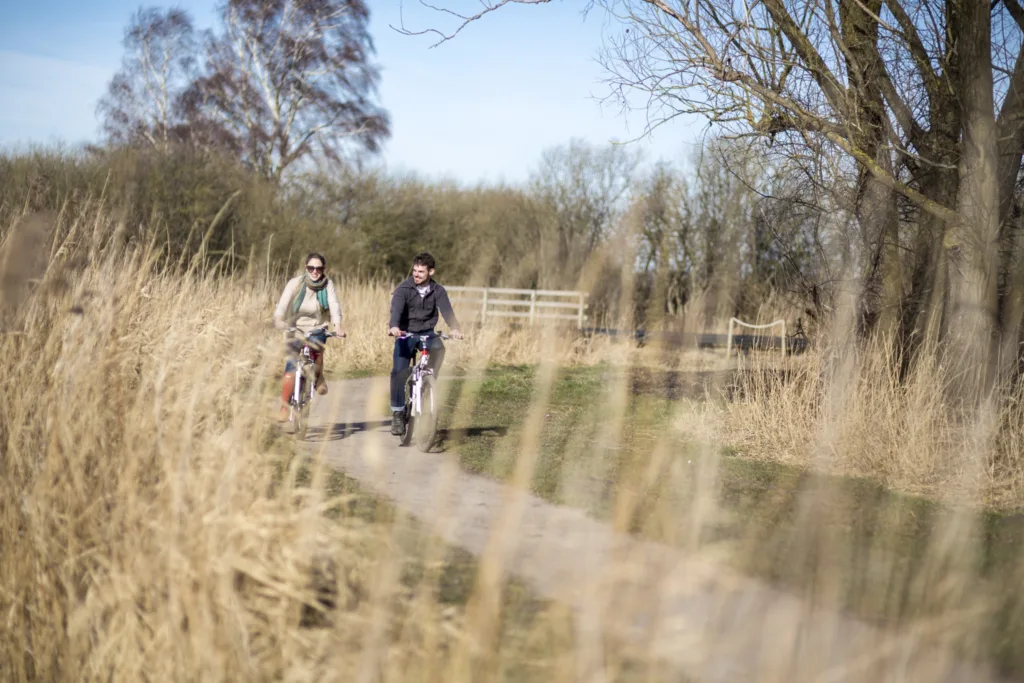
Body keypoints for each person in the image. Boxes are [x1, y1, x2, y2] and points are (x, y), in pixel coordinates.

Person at [387, 252, 463, 435]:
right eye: (414, 271)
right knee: (399, 371)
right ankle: (398, 413)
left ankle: (428, 380)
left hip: (428, 333)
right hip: (406, 333)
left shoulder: (438, 291)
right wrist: (394, 327)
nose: (416, 274)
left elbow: (446, 310)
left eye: (421, 271)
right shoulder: (403, 289)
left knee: (439, 348)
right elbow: (396, 311)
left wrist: (455, 329)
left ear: (431, 272)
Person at [273, 252, 345, 420]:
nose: (315, 271)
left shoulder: (327, 285)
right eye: (311, 268)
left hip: (316, 328)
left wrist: (338, 326)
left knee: (317, 351)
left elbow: (334, 304)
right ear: (306, 268)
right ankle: (284, 408)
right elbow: (283, 303)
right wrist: (278, 319)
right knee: (291, 366)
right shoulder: (295, 283)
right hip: (294, 327)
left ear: (323, 269)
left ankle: (319, 378)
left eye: (318, 268)